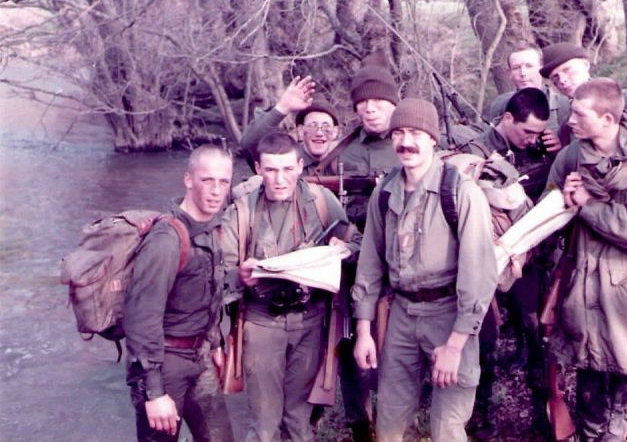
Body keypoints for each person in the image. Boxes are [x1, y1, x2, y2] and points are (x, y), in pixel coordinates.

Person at [351, 98, 497, 441]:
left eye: (416, 133)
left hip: (450, 315)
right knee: (390, 422)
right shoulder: (385, 192)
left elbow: (479, 277)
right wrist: (363, 330)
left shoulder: (460, 192)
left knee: (447, 428)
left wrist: (455, 346)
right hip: (401, 314)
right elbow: (370, 263)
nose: (406, 142)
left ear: (432, 138)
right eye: (398, 133)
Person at [547, 78, 627, 440]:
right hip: (584, 288)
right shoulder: (571, 156)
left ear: (607, 119)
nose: (570, 120)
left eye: (579, 114)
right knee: (590, 383)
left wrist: (588, 207)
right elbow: (548, 210)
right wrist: (560, 202)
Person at [220, 131, 360, 442]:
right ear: (258, 169)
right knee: (264, 423)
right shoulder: (241, 212)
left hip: (311, 322)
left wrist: (344, 249)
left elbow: (357, 243)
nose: (280, 179)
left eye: (287, 169)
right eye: (271, 170)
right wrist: (240, 277)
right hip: (261, 323)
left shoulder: (322, 202)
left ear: (299, 166)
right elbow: (219, 273)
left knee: (299, 420)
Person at [462, 87, 564, 438]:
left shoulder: (542, 150)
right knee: (482, 342)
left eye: (538, 132)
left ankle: (543, 414)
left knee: (537, 337)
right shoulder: (476, 151)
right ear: (507, 118)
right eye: (527, 131)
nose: (532, 139)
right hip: (486, 261)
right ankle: (482, 419)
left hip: (530, 262)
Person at [123, 144, 235, 442]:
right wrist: (154, 391)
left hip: (200, 357)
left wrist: (215, 343)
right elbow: (140, 318)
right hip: (164, 364)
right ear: (188, 179)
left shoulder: (212, 229)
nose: (216, 191)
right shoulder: (166, 239)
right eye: (207, 180)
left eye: (223, 182)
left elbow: (208, 293)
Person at [540, 42, 627, 163]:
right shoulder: (568, 121)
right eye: (555, 77)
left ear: (585, 65)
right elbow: (564, 171)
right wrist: (561, 147)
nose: (562, 80)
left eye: (567, 70)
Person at [239, 76, 340, 175]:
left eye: (326, 127)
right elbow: (249, 143)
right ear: (300, 131)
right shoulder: (283, 159)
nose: (319, 133)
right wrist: (282, 108)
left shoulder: (343, 161)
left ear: (335, 132)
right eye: (312, 126)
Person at [486, 45, 572, 134]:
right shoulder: (500, 104)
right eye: (516, 68)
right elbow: (487, 138)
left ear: (541, 68)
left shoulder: (564, 105)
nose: (523, 73)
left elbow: (575, 140)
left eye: (529, 66)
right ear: (509, 73)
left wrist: (559, 140)